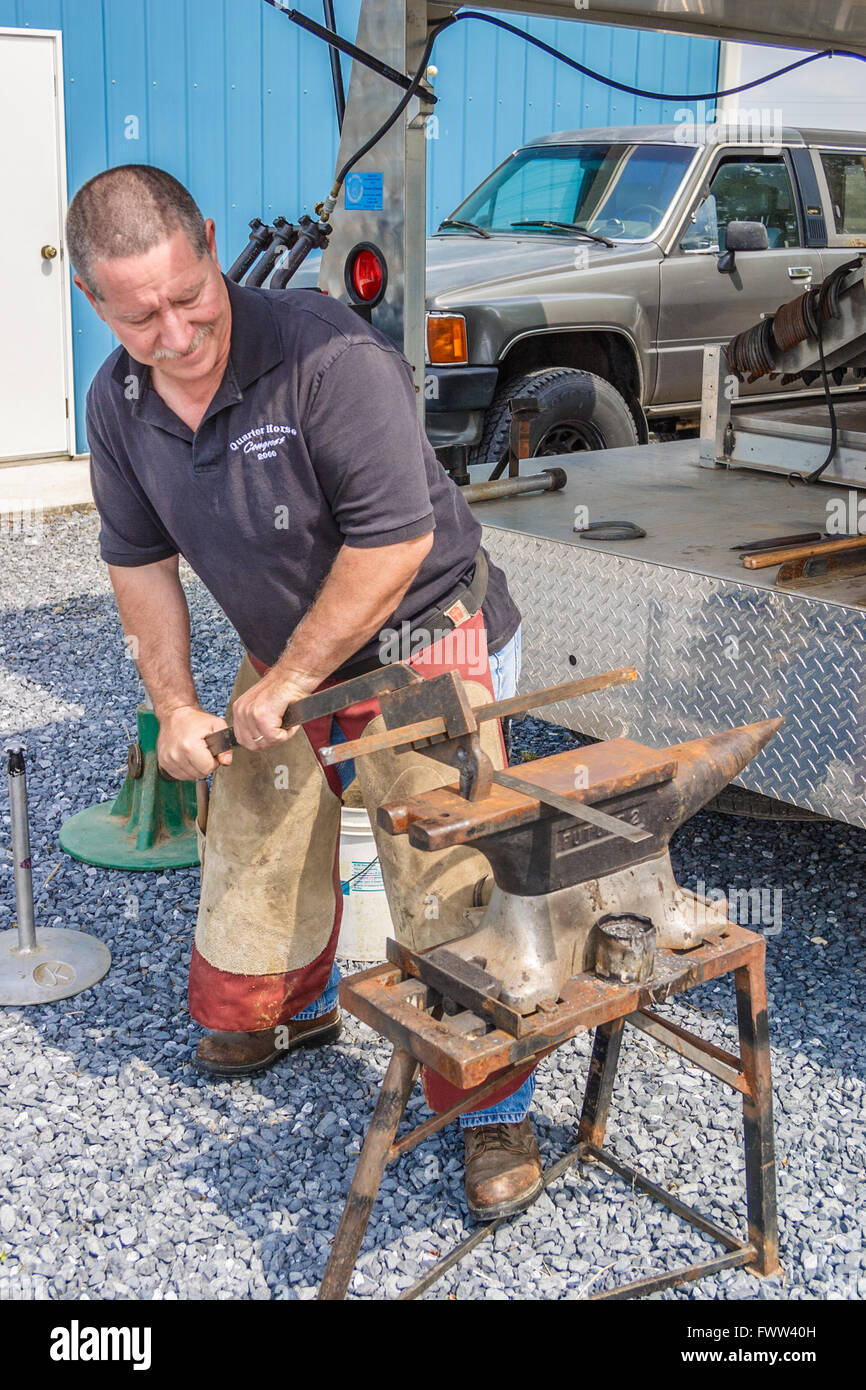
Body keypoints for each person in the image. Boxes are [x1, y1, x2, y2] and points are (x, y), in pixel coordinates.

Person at [67, 164, 541, 1220]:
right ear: (92, 302)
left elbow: (395, 540)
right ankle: (282, 1006)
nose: (177, 334)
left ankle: (487, 1106)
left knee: (444, 863)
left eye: (189, 297)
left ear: (210, 242)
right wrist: (180, 704)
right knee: (255, 823)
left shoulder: (328, 356)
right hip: (288, 647)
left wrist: (284, 681)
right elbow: (136, 563)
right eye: (140, 316)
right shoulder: (118, 403)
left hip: (422, 632)